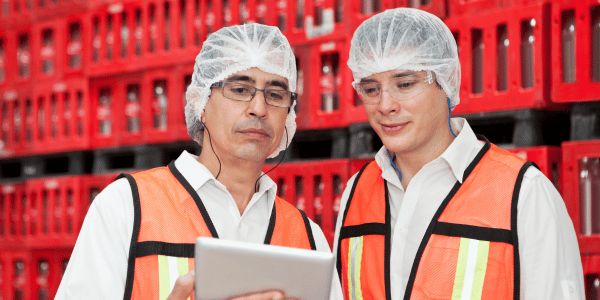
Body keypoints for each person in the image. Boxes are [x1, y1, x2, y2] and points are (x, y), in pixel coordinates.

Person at [56, 23, 342, 300]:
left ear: (289, 115)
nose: (259, 109)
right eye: (240, 90)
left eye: (275, 95)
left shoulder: (307, 238)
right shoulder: (126, 209)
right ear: (200, 103)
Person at [332, 8, 584, 300]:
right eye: (371, 88)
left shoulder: (523, 195)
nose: (385, 105)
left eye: (405, 84)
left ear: (447, 79)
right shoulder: (356, 193)